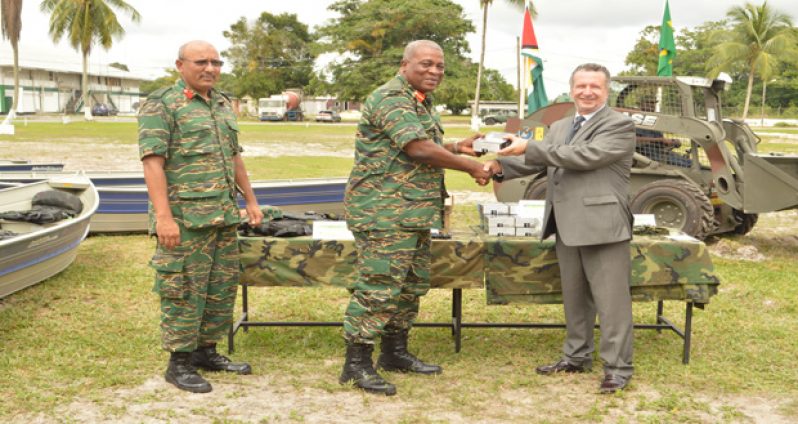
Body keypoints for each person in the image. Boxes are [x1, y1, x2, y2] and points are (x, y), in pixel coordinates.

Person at [341, 40, 492, 396]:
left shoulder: (418, 101)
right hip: (384, 213)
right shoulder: (392, 98)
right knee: (378, 287)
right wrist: (472, 166)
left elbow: (422, 143)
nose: (434, 72)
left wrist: (457, 148)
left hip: (411, 211)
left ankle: (394, 353)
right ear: (404, 64)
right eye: (426, 64)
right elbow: (417, 148)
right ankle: (357, 362)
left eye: (439, 66)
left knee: (409, 286)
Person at [484, 63, 636, 393]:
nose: (587, 92)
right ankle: (576, 357)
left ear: (606, 91)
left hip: (603, 225)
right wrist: (497, 166)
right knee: (575, 297)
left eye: (595, 86)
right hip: (566, 223)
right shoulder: (561, 125)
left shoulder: (619, 125)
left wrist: (529, 146)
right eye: (581, 85)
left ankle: (618, 368)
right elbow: (538, 160)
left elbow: (585, 155)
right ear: (571, 89)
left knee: (611, 302)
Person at [138, 40, 264, 394]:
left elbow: (234, 158)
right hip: (184, 219)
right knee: (183, 289)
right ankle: (179, 362)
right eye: (201, 62)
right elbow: (152, 163)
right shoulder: (162, 104)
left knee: (220, 288)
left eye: (216, 62)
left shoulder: (222, 104)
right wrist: (164, 218)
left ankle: (207, 351)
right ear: (180, 65)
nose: (210, 68)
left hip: (222, 215)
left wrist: (250, 201)